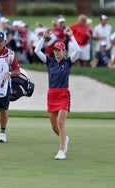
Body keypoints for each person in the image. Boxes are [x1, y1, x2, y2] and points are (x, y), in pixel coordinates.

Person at [34, 27, 81, 160]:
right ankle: (64, 138)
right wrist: (43, 37)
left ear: (64, 51)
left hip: (63, 95)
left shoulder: (68, 62)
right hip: (52, 95)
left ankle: (61, 150)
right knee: (54, 127)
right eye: (55, 50)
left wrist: (71, 36)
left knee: (60, 122)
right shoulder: (50, 62)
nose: (56, 52)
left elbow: (78, 50)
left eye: (59, 50)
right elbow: (36, 51)